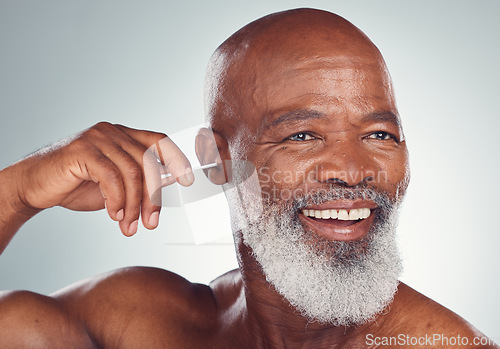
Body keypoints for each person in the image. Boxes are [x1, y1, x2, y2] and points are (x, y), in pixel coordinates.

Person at [0, 8, 497, 348]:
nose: (352, 172)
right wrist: (19, 191)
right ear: (217, 162)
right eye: (302, 136)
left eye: (381, 135)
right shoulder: (138, 322)